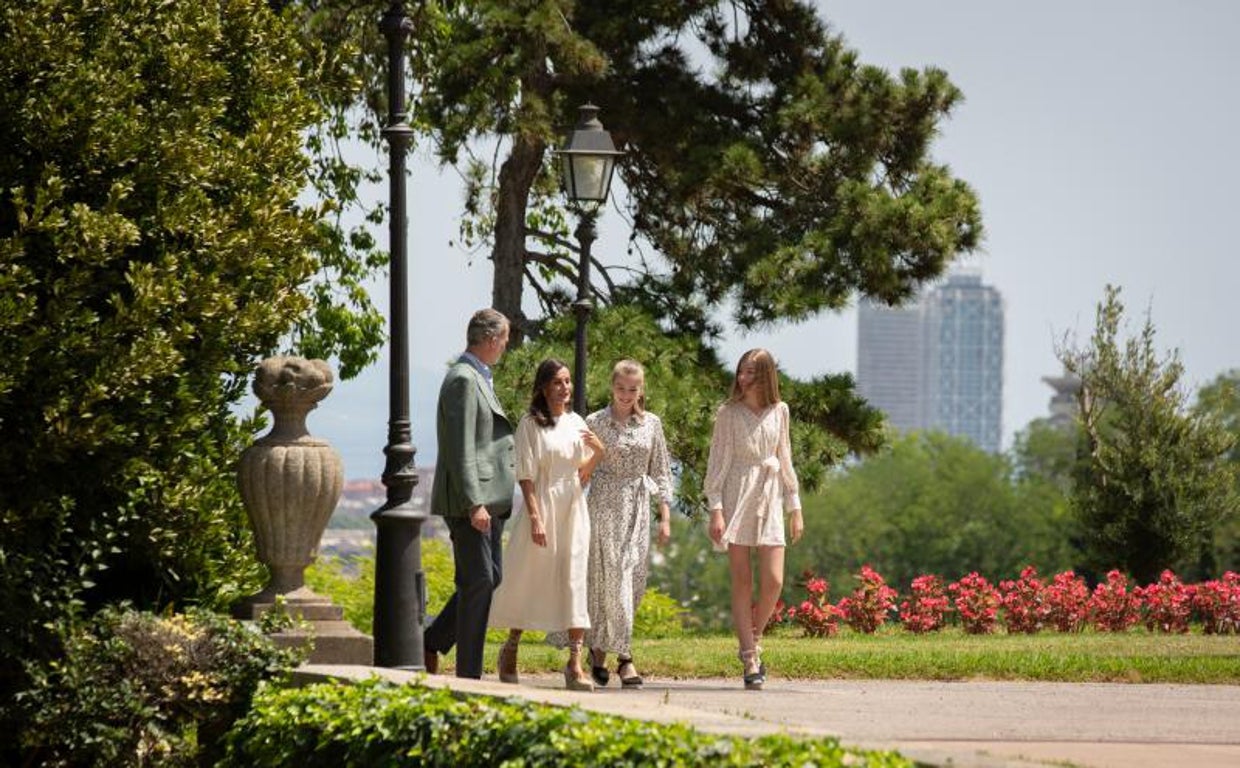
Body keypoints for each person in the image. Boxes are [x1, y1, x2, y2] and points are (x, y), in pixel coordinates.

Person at [488, 358, 604, 691]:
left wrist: (598, 452)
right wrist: (536, 517)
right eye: (557, 382)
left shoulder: (576, 422)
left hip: (573, 507)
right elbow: (525, 475)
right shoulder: (530, 424)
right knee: (530, 576)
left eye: (567, 382)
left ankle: (575, 664)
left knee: (574, 578)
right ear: (543, 387)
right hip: (542, 503)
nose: (564, 388)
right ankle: (510, 647)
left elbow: (581, 475)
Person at [423, 308, 515, 679]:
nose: (505, 347)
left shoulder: (477, 376)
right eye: (505, 340)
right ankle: (469, 674)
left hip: (487, 500)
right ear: (492, 340)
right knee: (477, 580)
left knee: (488, 578)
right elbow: (460, 447)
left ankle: (431, 642)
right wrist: (474, 502)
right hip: (470, 501)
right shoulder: (463, 379)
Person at [704, 348, 803, 690]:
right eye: (741, 371)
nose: (744, 378)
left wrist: (795, 506)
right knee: (743, 581)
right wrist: (716, 510)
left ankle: (754, 637)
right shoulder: (728, 413)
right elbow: (717, 464)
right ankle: (749, 656)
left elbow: (785, 457)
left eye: (752, 372)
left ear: (766, 376)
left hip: (771, 495)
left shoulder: (781, 410)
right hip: (736, 495)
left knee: (774, 580)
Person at [580, 359, 673, 689]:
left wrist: (665, 516)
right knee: (610, 579)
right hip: (604, 502)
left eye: (632, 389)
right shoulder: (595, 421)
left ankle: (598, 650)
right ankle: (625, 659)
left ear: (641, 390)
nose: (625, 395)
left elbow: (661, 470)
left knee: (632, 581)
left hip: (638, 507)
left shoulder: (652, 424)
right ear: (611, 387)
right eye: (620, 388)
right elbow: (581, 466)